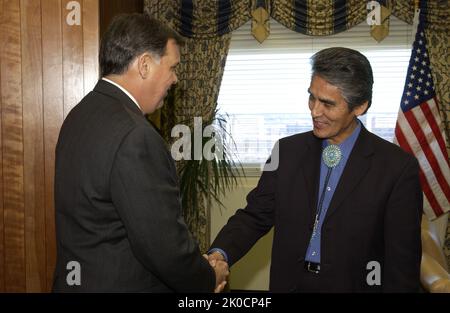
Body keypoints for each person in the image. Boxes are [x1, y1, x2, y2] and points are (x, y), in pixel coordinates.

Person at [208, 47, 423, 292]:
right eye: (312, 97)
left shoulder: (396, 168)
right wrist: (220, 254)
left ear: (360, 106)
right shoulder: (287, 152)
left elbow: (402, 265)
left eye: (327, 104)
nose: (314, 111)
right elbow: (255, 215)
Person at [52, 13, 228, 292]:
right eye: (172, 68)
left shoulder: (80, 114)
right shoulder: (136, 136)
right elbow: (162, 246)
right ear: (145, 65)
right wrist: (208, 278)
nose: (174, 79)